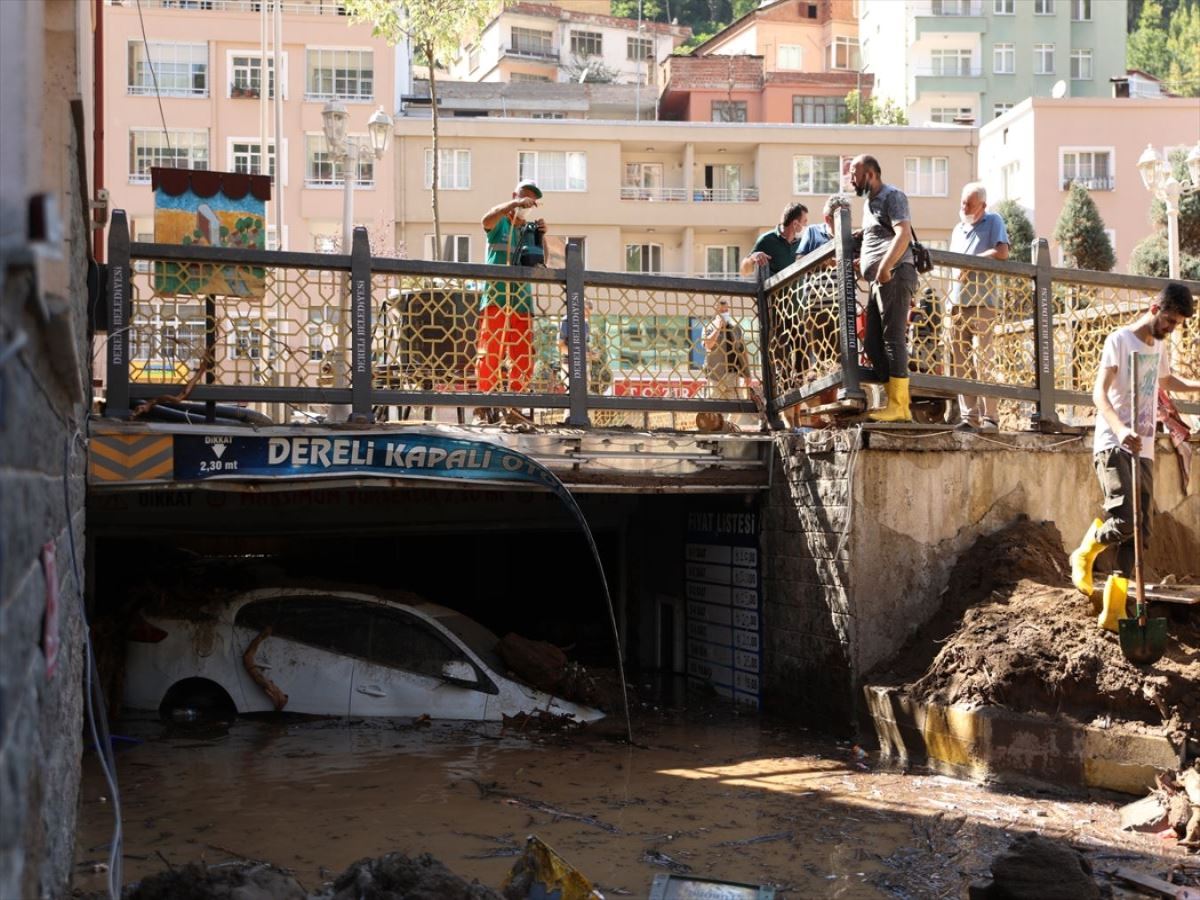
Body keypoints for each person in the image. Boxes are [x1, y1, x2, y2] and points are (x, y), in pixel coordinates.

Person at [1069, 283, 1198, 605]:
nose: (1171, 328)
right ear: (1155, 309)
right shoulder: (1120, 340)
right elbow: (1099, 392)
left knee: (1141, 532)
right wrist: (1120, 428)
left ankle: (1115, 606)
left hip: (1146, 446)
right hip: (1115, 442)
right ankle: (1085, 553)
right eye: (1170, 321)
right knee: (1126, 518)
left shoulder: (1158, 346)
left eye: (1177, 324)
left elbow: (1166, 381)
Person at [849, 154, 918, 422]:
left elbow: (902, 232)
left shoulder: (893, 196)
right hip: (880, 279)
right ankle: (897, 403)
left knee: (893, 338)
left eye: (854, 174)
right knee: (873, 342)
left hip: (896, 274)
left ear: (870, 175)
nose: (851, 180)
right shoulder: (869, 205)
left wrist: (885, 266)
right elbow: (880, 233)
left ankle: (900, 406)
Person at [473, 179, 546, 425]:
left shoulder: (528, 231)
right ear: (514, 195)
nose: (527, 202)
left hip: (521, 301)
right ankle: (485, 407)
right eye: (524, 197)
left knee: (522, 355)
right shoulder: (500, 223)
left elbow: (539, 263)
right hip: (496, 296)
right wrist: (511, 206)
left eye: (531, 200)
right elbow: (486, 219)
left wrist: (541, 237)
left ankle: (514, 406)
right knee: (490, 352)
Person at [948, 182, 1010, 433]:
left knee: (984, 359)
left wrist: (971, 263)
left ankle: (991, 417)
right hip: (958, 303)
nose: (964, 207)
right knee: (961, 363)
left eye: (969, 204)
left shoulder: (994, 221)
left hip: (983, 301)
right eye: (963, 202)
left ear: (982, 205)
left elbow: (1002, 252)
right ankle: (969, 416)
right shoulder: (957, 229)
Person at [701, 298, 753, 430]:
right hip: (715, 375)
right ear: (715, 312)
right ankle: (712, 428)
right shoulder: (708, 327)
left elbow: (742, 351)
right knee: (711, 406)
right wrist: (718, 327)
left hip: (733, 374)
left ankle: (728, 426)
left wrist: (747, 374)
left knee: (739, 404)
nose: (724, 313)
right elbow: (708, 345)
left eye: (726, 310)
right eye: (721, 311)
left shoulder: (736, 329)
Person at [739, 203, 806, 277]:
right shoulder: (766, 240)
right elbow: (744, 271)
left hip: (798, 289)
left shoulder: (803, 242)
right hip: (774, 288)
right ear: (795, 224)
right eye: (805, 222)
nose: (806, 226)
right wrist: (752, 258)